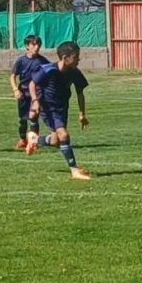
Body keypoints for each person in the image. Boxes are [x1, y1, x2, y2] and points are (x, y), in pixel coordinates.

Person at [25, 41, 91, 180]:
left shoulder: (75, 72)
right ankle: (74, 171)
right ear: (65, 57)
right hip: (48, 108)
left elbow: (80, 93)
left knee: (55, 141)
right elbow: (32, 83)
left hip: (62, 108)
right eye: (76, 56)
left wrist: (82, 114)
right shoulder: (48, 69)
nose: (78, 59)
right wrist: (35, 101)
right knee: (64, 135)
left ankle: (34, 139)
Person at [9, 35, 50, 150]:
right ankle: (23, 140)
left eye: (38, 45)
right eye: (34, 44)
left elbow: (50, 74)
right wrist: (15, 89)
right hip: (23, 93)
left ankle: (33, 141)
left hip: (36, 93)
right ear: (27, 46)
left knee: (33, 117)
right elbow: (12, 76)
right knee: (22, 119)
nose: (37, 47)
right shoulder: (21, 61)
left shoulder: (42, 61)